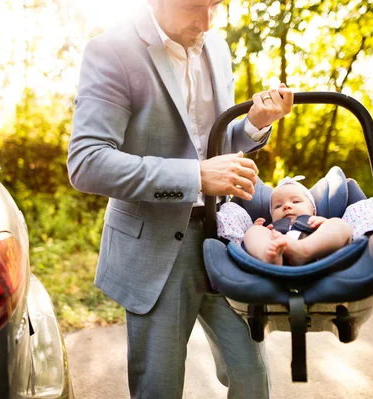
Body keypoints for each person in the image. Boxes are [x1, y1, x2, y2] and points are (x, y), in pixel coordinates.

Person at [67, 1, 293, 398]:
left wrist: (256, 125)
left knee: (253, 378)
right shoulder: (112, 51)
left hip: (226, 242)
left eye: (215, 6)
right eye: (193, 6)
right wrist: (195, 176)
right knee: (160, 388)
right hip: (157, 249)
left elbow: (214, 140)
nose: (205, 22)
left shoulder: (218, 49)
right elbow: (88, 163)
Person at [217, 176, 352, 265]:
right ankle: (268, 255)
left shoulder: (317, 221)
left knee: (339, 224)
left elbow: (334, 230)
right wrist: (257, 228)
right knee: (252, 231)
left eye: (296, 201)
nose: (287, 206)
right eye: (278, 206)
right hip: (275, 250)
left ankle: (304, 250)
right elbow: (254, 235)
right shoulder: (270, 228)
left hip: (320, 256)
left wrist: (325, 224)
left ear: (313, 210)